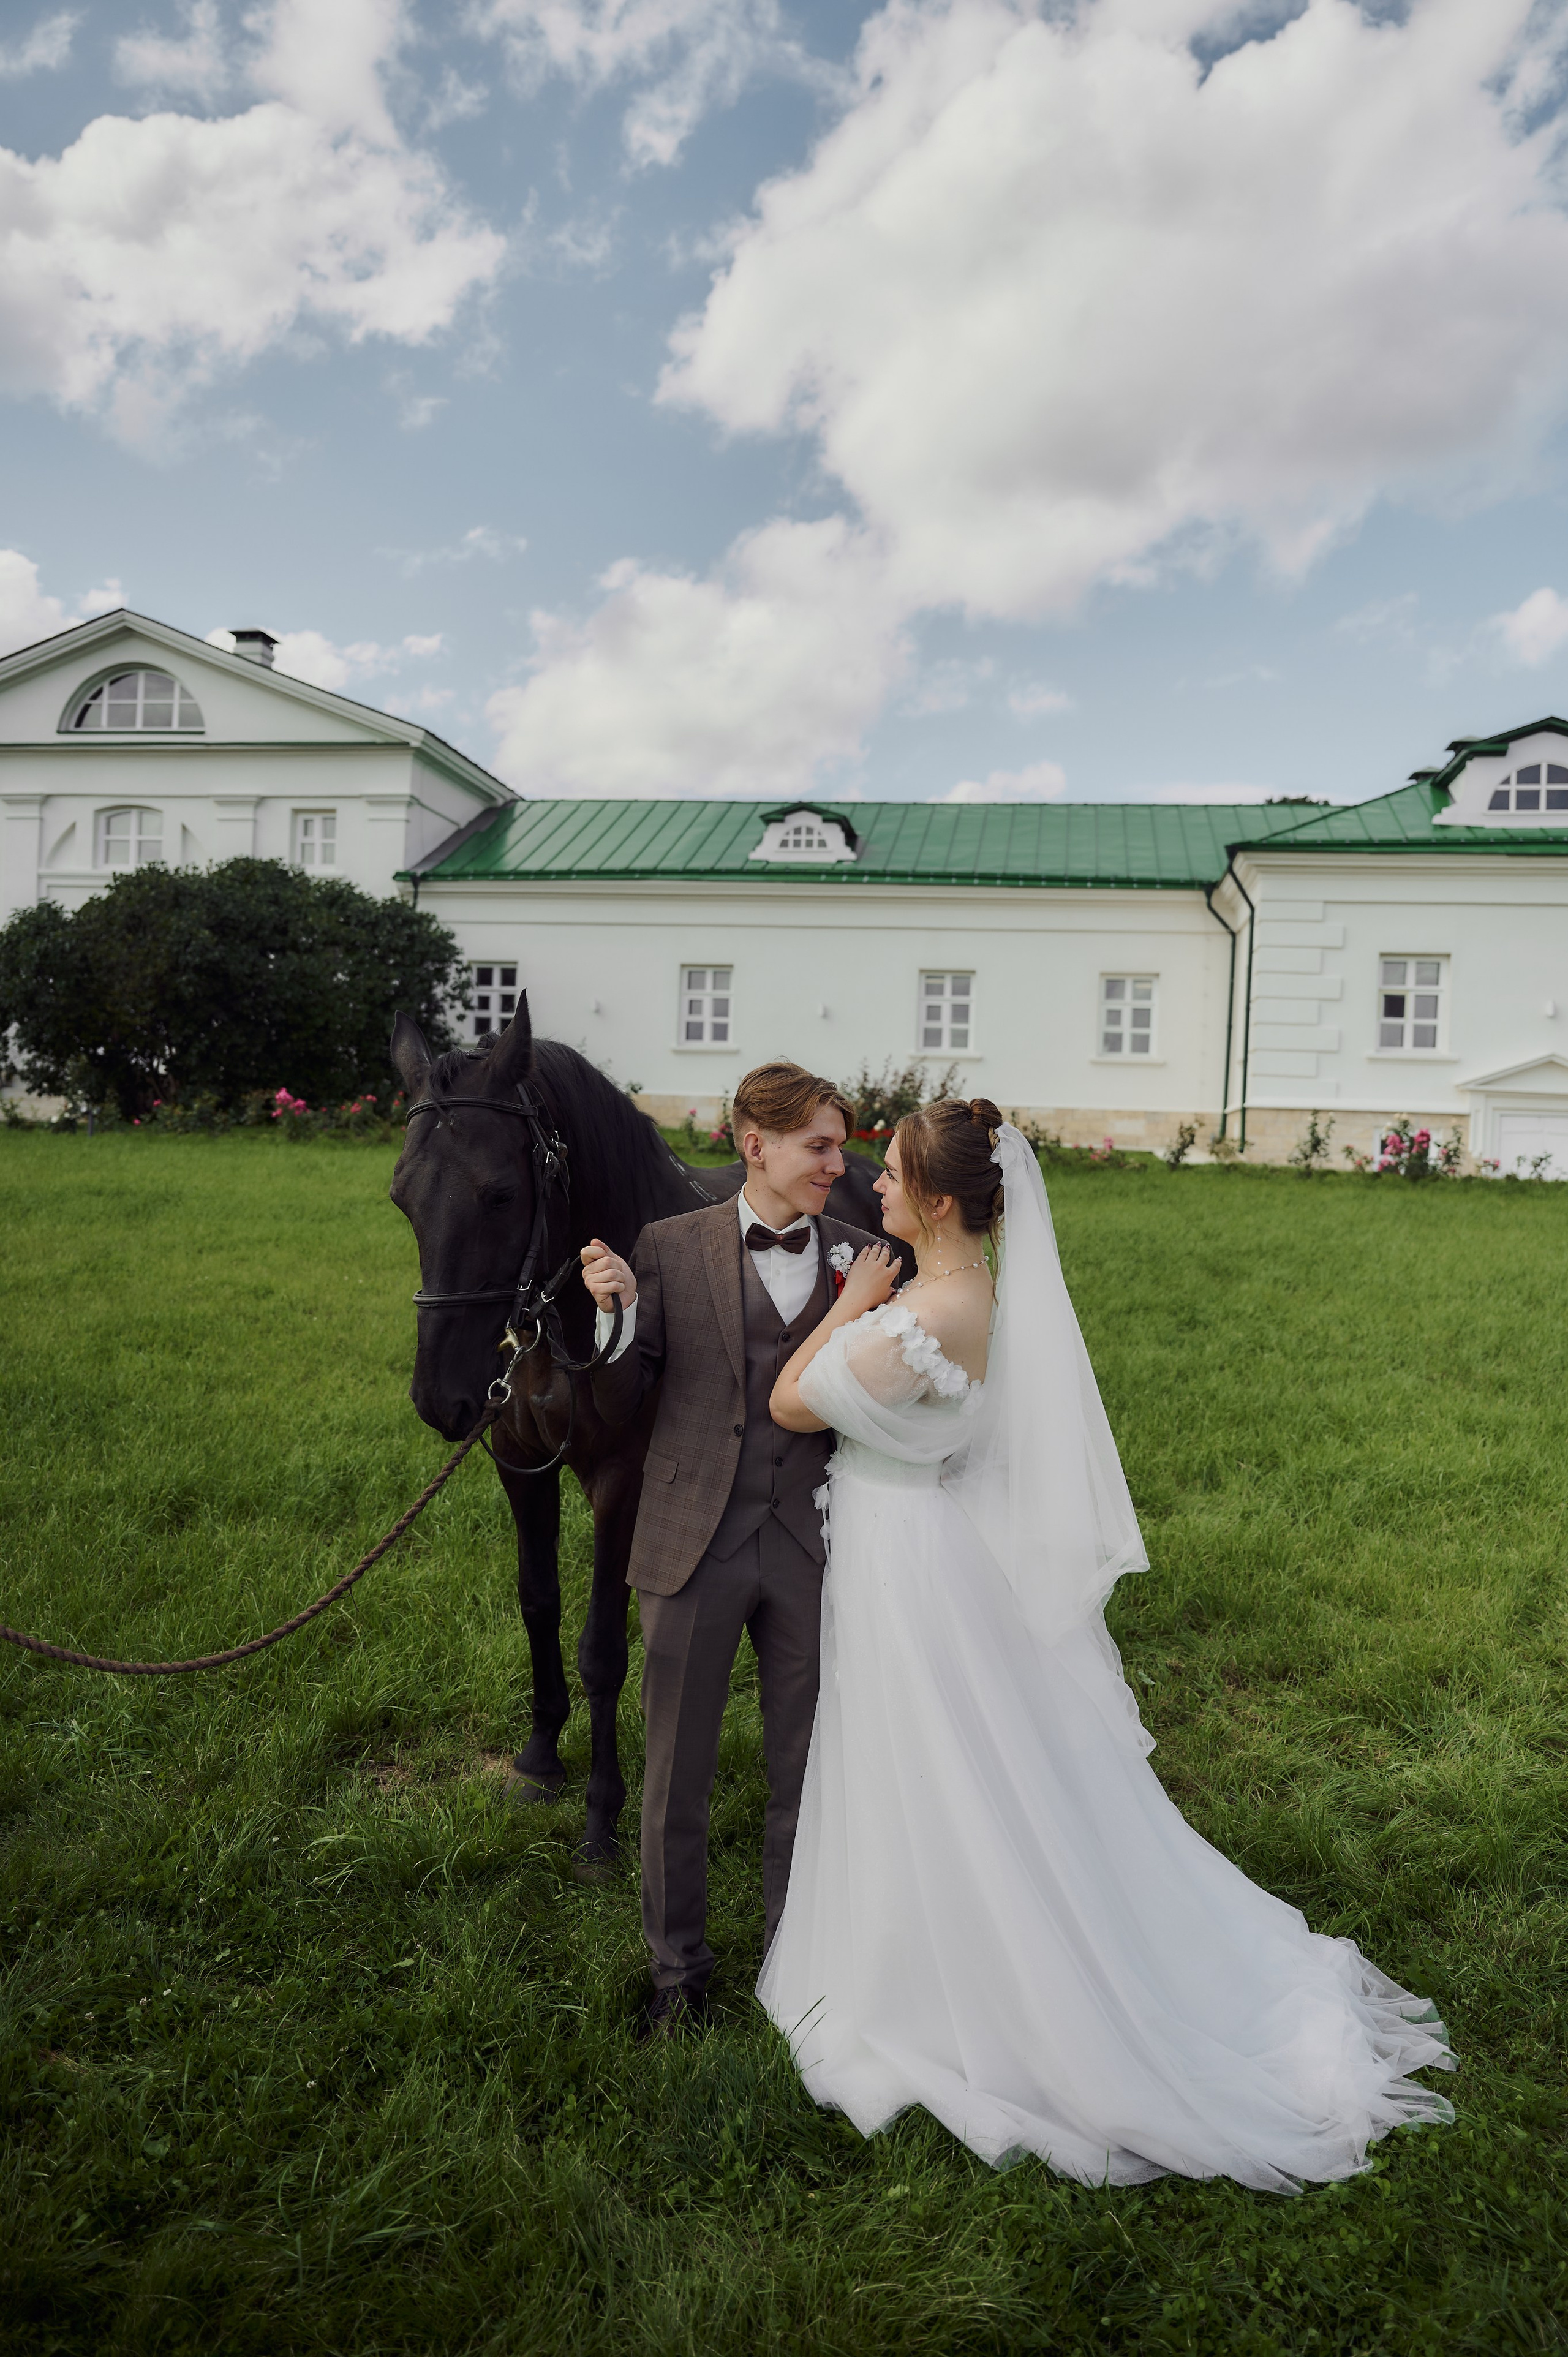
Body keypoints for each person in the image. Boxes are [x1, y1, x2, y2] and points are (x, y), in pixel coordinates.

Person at [760, 1097, 1455, 2190]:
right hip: (924, 1542)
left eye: (889, 1173)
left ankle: (958, 1986)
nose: (873, 1185)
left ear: (938, 1201)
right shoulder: (978, 1291)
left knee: (932, 1765)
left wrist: (844, 1306)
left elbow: (792, 1401)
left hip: (904, 1558)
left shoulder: (920, 1317)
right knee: (938, 1761)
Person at [579, 1062, 881, 2040]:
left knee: (812, 1767)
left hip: (815, 1544)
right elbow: (620, 1411)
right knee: (677, 1772)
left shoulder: (867, 1258)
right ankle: (679, 1973)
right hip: (691, 1541)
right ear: (755, 1144)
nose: (840, 1165)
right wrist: (616, 1316)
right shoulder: (665, 1249)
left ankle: (800, 1962)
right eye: (819, 1147)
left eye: (841, 1145)